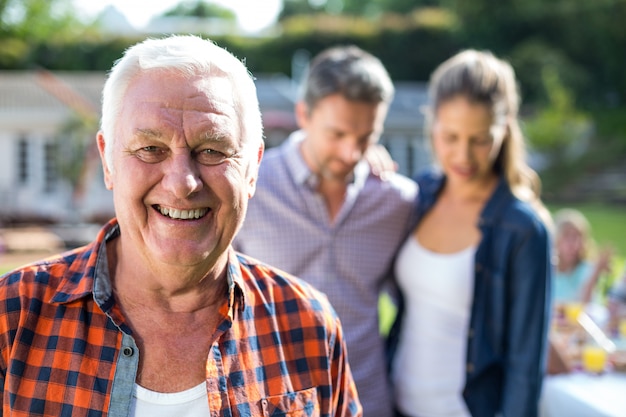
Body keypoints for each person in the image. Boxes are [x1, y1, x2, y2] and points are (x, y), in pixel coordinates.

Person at [0, 35, 362, 417]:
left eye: (212, 151)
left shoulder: (307, 323)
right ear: (108, 161)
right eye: (150, 149)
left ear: (253, 167)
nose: (182, 184)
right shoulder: (14, 316)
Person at [234, 45, 418, 417]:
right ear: (303, 114)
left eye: (366, 137)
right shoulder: (249, 189)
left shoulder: (397, 202)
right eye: (338, 134)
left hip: (367, 399)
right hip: (268, 401)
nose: (351, 152)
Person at [387, 49, 553, 417]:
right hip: (395, 404)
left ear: (505, 127)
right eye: (450, 136)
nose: (463, 155)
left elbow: (526, 364)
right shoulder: (420, 194)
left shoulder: (524, 227)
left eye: (480, 139)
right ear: (432, 124)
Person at [552, 208, 613, 305]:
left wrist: (596, 273)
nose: (575, 245)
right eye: (568, 237)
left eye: (579, 238)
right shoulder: (548, 269)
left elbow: (586, 307)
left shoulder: (587, 268)